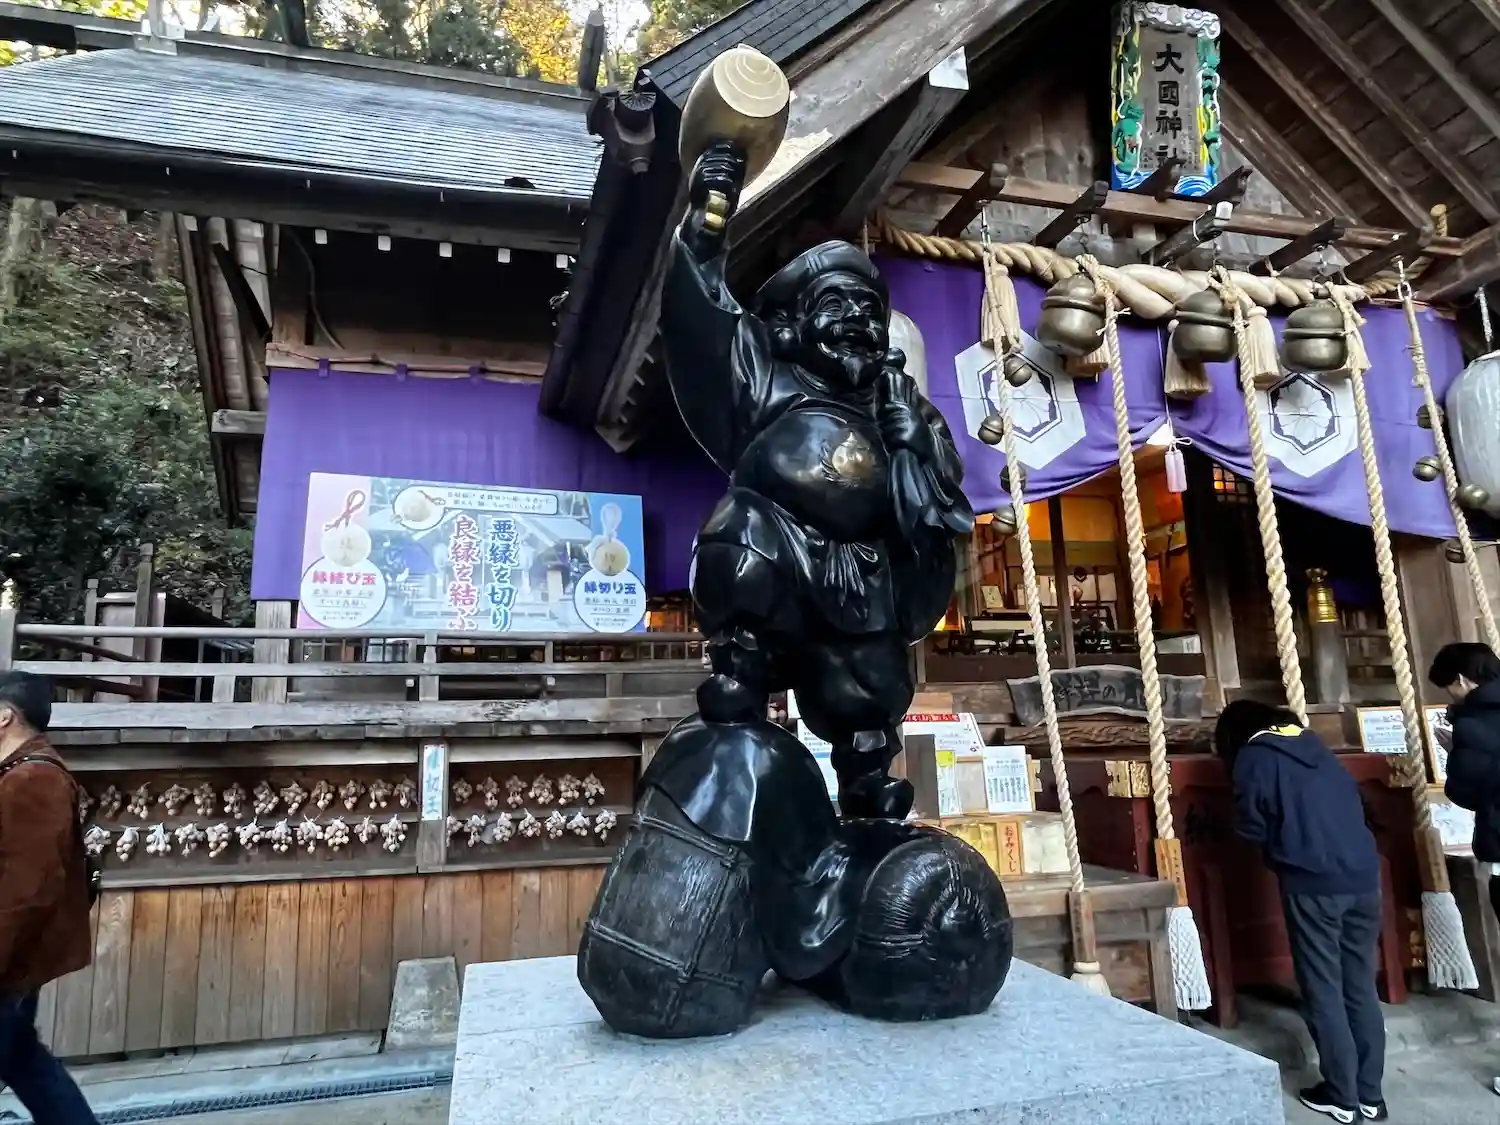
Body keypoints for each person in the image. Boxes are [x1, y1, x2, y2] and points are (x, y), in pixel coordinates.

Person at [1215, 699, 1386, 1124]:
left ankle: (1342, 1096)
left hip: (1313, 883)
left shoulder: (1255, 757)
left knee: (1323, 987)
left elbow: (1251, 826)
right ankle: (1370, 1094)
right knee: (1359, 986)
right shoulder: (1318, 748)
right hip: (1364, 879)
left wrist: (1274, 847)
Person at [0, 671, 98, 1124]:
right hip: (14, 961)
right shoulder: (18, 773)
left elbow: (27, 891)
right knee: (26, 1063)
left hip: (9, 961)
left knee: (26, 1062)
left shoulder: (34, 779)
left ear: (4, 717)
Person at [1428, 641, 1500, 1098]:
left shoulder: (1473, 725)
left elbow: (1468, 792)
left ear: (1460, 680)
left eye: (1449, 688)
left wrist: (1454, 752)